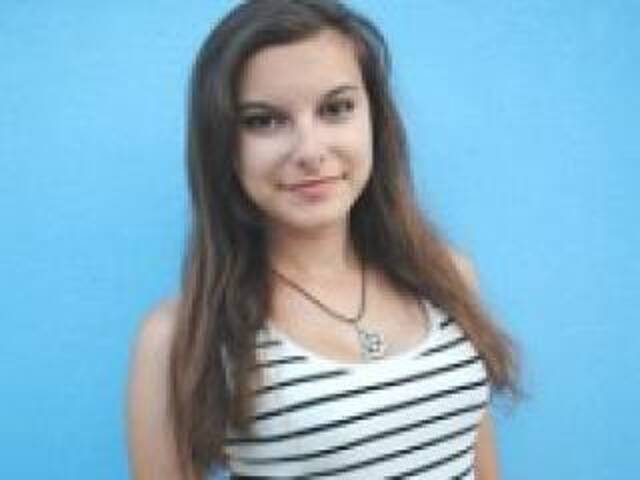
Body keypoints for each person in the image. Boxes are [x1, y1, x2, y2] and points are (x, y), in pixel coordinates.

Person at [127, 1, 521, 478]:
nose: (310, 151)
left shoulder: (447, 277)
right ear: (222, 144)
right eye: (264, 120)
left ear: (375, 119)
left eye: (336, 109)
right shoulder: (179, 336)